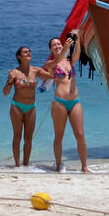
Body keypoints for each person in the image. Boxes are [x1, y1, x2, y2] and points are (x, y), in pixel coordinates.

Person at [45, 33, 90, 173]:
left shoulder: (70, 61)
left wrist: (76, 40)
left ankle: (84, 166)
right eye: (54, 45)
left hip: (75, 101)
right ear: (51, 49)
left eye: (59, 43)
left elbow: (77, 53)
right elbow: (57, 59)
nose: (57, 46)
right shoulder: (49, 63)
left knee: (80, 134)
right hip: (59, 103)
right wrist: (65, 47)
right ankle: (59, 164)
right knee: (59, 135)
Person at [3, 46, 49, 167]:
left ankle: (26, 165)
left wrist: (58, 59)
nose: (29, 53)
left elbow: (52, 76)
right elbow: (5, 92)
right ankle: (17, 165)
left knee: (28, 139)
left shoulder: (36, 71)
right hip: (16, 106)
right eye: (25, 52)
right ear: (19, 56)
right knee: (17, 136)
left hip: (31, 107)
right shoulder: (14, 72)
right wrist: (9, 81)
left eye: (29, 51)